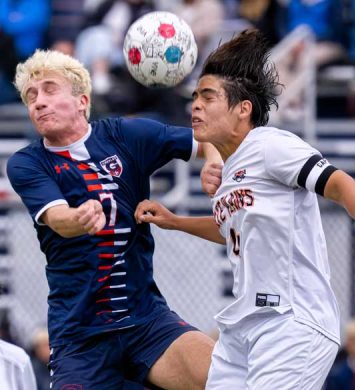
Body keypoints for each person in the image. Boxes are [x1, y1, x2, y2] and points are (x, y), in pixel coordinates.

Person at [134, 29, 355, 389]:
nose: (195, 105)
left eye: (208, 97)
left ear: (243, 109)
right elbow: (230, 230)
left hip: (292, 321)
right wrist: (175, 221)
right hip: (245, 327)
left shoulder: (271, 145)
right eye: (194, 96)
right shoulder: (228, 172)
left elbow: (337, 182)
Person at [6, 49, 217, 389]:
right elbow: (59, 219)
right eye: (31, 97)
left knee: (223, 375)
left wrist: (211, 160)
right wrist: (78, 217)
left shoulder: (126, 136)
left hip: (147, 321)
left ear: (81, 100)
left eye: (49, 89)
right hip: (80, 337)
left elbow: (210, 140)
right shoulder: (28, 163)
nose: (38, 102)